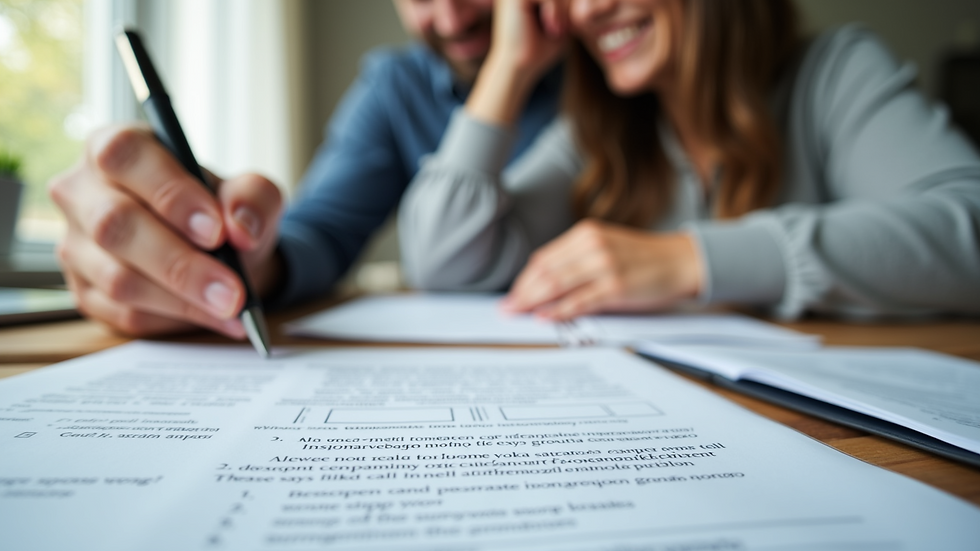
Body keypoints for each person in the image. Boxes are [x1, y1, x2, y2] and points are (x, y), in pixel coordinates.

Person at [398, 0, 980, 320]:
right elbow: (440, 257)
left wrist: (689, 261)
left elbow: (966, 229)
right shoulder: (599, 133)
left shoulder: (833, 73)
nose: (591, 9)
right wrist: (509, 66)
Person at [47, 0, 563, 338]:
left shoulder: (611, 57)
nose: (451, 20)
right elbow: (319, 232)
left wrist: (511, 65)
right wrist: (240, 257)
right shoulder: (395, 86)